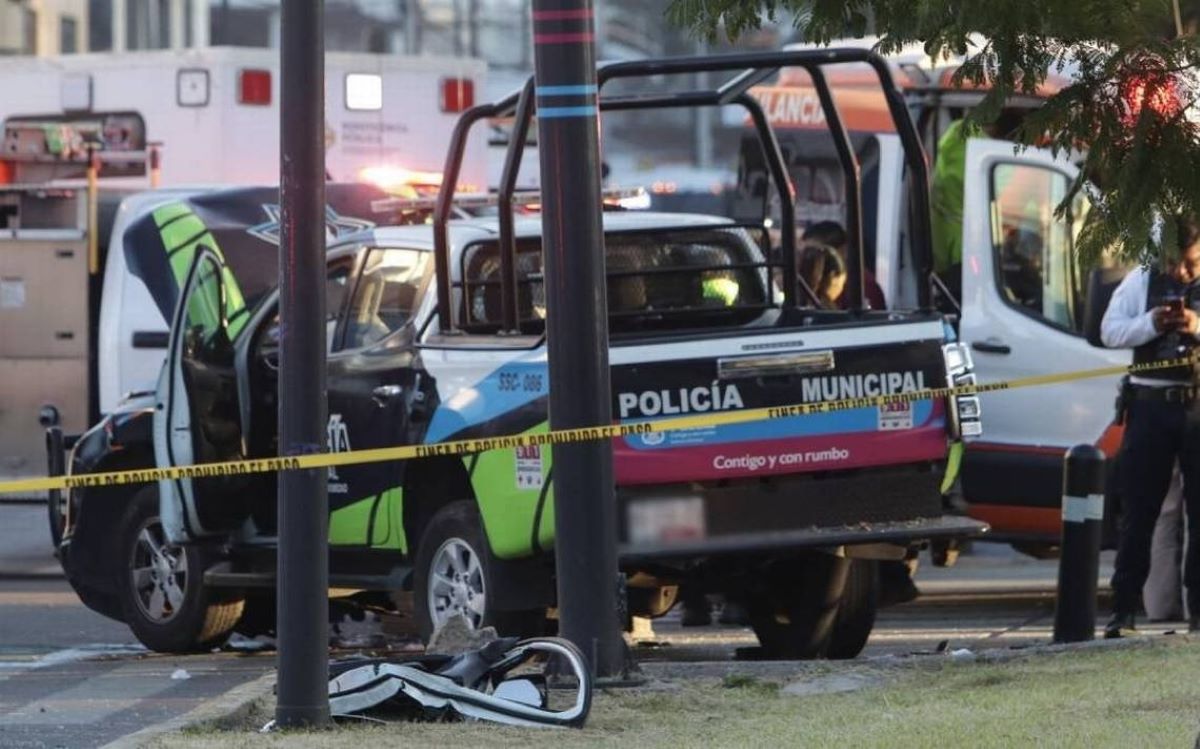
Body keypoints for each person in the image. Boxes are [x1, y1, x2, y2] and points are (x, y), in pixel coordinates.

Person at [1100, 213, 1200, 637]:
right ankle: (1123, 612)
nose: (1181, 272)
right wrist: (1152, 323)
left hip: (1196, 408)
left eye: (1192, 263)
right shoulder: (1141, 281)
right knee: (1139, 513)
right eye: (1174, 262)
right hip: (1150, 405)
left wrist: (1195, 325)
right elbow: (1109, 331)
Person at [801, 221, 887, 309]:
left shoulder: (863, 286)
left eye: (820, 254)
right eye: (807, 254)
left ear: (842, 251)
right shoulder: (804, 281)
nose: (811, 259)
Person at [798, 243, 847, 309]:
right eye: (842, 283)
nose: (841, 288)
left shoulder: (790, 305)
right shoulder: (829, 313)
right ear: (833, 278)